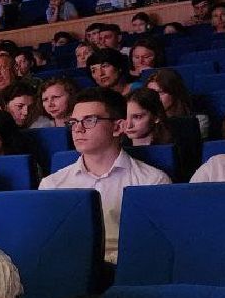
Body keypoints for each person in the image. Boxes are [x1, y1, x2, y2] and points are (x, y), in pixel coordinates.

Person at [40, 88, 171, 264]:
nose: (78, 129)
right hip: (71, 270)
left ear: (118, 127)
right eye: (73, 122)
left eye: (89, 120)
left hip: (130, 270)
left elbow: (157, 247)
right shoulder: (52, 184)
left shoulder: (152, 181)